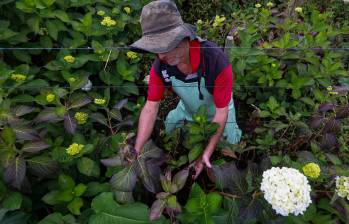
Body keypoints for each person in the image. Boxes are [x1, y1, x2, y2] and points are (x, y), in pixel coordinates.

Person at [130, 0, 242, 179]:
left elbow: (221, 111)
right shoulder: (161, 66)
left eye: (167, 46)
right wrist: (136, 150)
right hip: (188, 109)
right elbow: (151, 108)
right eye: (156, 49)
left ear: (185, 38)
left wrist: (206, 153)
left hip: (220, 110)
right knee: (170, 127)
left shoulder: (215, 60)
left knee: (230, 144)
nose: (161, 56)